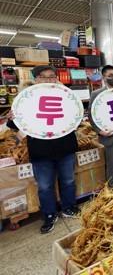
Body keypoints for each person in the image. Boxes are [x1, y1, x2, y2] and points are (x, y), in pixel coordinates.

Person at [7, 65, 79, 234]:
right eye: (43, 77)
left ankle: (69, 207)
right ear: (36, 79)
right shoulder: (27, 98)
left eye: (52, 76)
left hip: (65, 146)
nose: (48, 80)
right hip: (40, 151)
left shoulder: (66, 96)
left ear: (56, 78)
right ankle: (49, 215)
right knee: (45, 186)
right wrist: (12, 118)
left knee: (68, 180)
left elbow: (74, 119)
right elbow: (14, 124)